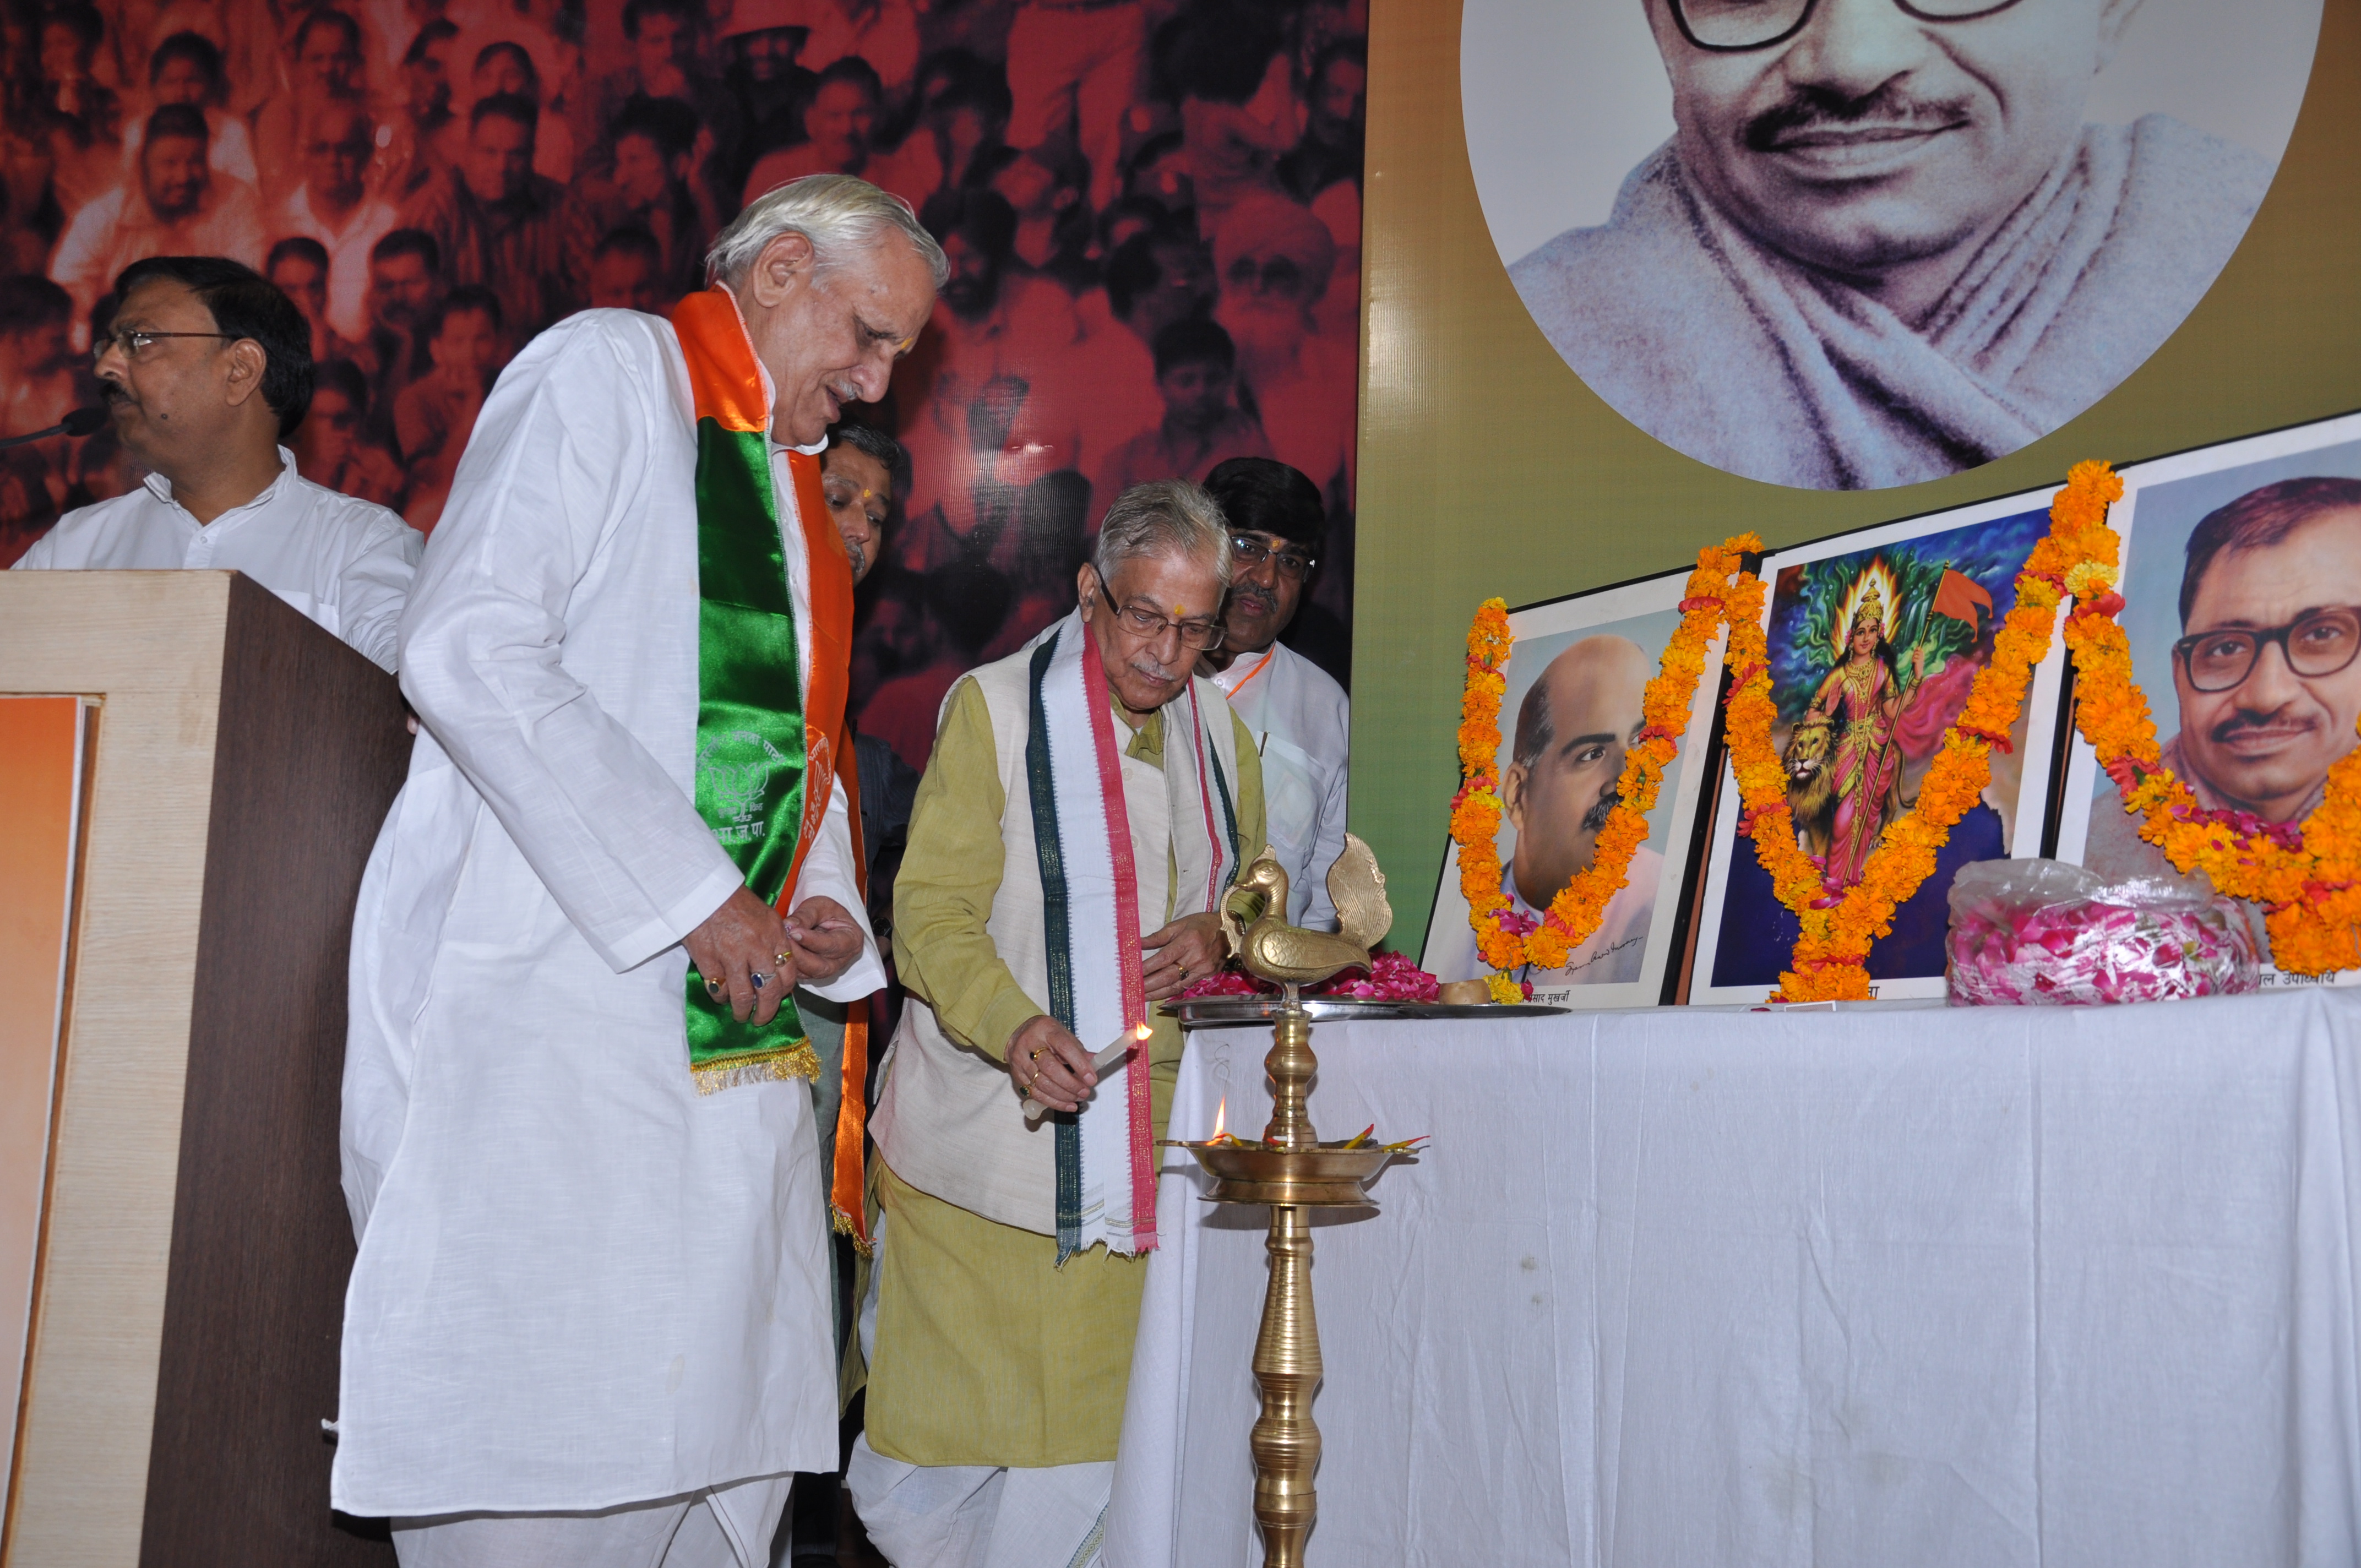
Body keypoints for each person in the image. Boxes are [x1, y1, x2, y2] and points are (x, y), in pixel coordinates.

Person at [333, 173, 943, 1561]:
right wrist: (695, 894)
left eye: (897, 352)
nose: (877, 380)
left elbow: (799, 750)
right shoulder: (609, 369)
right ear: (779, 269)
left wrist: (824, 908)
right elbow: (467, 643)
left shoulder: (792, 495)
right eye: (868, 334)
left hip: (722, 1074)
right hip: (558, 1027)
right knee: (550, 1448)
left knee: (699, 1436)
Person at [850, 481, 1266, 1568]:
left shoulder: (1223, 735)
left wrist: (1220, 935)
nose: (1166, 653)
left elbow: (1256, 896)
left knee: (1094, 1483)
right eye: (1142, 615)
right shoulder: (992, 707)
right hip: (982, 1169)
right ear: (1089, 591)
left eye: (1193, 627)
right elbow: (927, 913)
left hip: (1143, 1178)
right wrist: (1015, 1023)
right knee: (924, 1481)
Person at [1509, 0, 2277, 491]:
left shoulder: (2262, 268)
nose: (1850, 61)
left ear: (2110, 10)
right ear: (1655, 22)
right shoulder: (1524, 362)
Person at [10, 255, 420, 672]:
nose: (105, 366)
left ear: (241, 369)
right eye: (109, 345)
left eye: (139, 340)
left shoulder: (360, 546)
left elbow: (410, 689)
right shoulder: (74, 548)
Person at [2086, 479, 2361, 961]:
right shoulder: (2094, 857)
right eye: (2227, 648)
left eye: (2322, 634)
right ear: (2179, 675)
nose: (2267, 694)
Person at [1429, 634, 1664, 989]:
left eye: (1636, 743)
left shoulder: (1661, 903)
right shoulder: (1452, 926)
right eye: (1591, 754)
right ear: (1518, 796)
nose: (1625, 780)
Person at [1199, 456, 1347, 931]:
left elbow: (1328, 893)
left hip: (1268, 991)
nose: (1266, 579)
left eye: (1290, 561)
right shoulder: (1143, 671)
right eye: (1249, 547)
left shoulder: (1324, 707)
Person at [50, 104, 266, 333]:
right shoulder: (100, 217)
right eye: (169, 163)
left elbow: (247, 284)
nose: (183, 177)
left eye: (195, 162)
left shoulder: (236, 201)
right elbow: (67, 295)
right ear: (143, 163)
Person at [399, 92, 585, 339]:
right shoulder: (433, 210)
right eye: (489, 152)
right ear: (467, 151)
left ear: (533, 155)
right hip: (452, 356)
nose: (502, 168)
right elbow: (407, 308)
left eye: (516, 154)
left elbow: (602, 292)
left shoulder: (562, 206)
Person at [1094, 316, 1267, 501]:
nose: (1201, 392)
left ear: (1229, 381)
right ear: (1160, 385)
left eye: (1213, 379)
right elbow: (1099, 529)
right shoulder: (1126, 460)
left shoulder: (1251, 454)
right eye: (1186, 381)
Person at [278, 99, 404, 343]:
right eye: (321, 149)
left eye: (345, 149)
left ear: (367, 154)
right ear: (306, 154)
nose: (332, 159)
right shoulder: (279, 222)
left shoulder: (391, 224)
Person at [393, 282, 501, 530]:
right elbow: (439, 481)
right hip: (438, 518)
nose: (471, 353)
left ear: (498, 341)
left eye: (482, 339)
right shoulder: (413, 401)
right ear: (437, 349)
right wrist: (473, 403)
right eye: (457, 342)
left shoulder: (513, 388)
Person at [124, 32, 259, 189]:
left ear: (211, 85)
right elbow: (128, 190)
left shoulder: (231, 131)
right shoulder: (138, 131)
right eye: (170, 82)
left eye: (192, 81)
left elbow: (248, 191)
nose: (181, 92)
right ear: (155, 86)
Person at [295, 355, 407, 508]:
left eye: (342, 419)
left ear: (361, 417)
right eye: (318, 418)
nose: (330, 430)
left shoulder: (379, 471)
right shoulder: (278, 465)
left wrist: (381, 491)